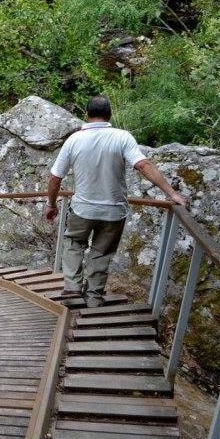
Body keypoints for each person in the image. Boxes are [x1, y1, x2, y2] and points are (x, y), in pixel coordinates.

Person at [45, 96, 186, 307]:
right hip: (113, 211)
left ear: (87, 114)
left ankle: (73, 289)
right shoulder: (122, 137)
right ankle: (93, 298)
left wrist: (51, 204)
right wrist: (172, 193)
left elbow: (56, 178)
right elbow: (143, 165)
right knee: (101, 253)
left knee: (74, 243)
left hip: (83, 209)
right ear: (109, 114)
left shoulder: (74, 140)